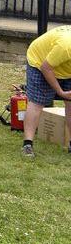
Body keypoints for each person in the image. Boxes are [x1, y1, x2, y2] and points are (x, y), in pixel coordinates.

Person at [23, 25, 71, 156]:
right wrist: (61, 92)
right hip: (40, 63)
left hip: (66, 68)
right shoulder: (66, 46)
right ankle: (27, 144)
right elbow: (46, 68)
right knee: (37, 102)